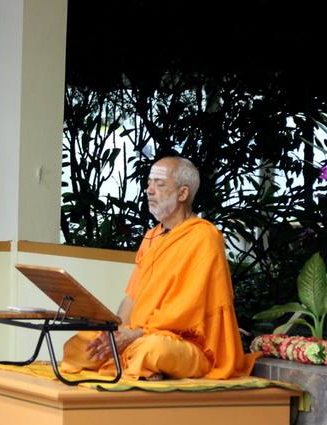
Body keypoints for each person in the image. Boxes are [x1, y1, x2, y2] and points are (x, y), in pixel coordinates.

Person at [60, 156, 257, 380]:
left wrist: (135, 335)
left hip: (184, 342)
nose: (149, 191)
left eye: (159, 184)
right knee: (79, 345)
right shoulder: (152, 236)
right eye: (149, 183)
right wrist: (116, 333)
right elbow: (132, 297)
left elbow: (188, 309)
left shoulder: (204, 236)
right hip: (138, 333)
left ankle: (145, 364)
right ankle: (141, 365)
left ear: (182, 194)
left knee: (154, 350)